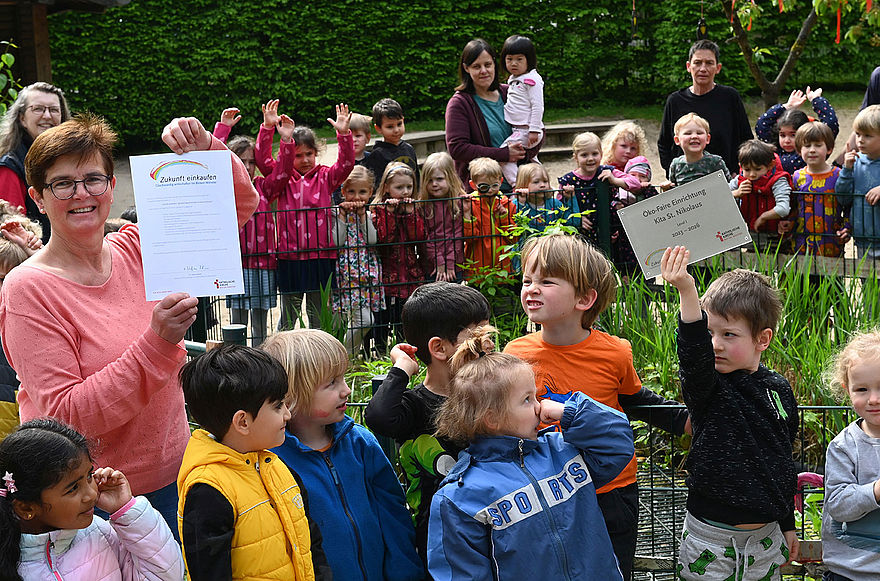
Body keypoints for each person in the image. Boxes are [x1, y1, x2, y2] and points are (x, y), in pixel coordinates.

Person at [0, 114, 258, 535]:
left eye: (93, 179)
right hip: (93, 505)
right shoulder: (28, 289)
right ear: (38, 198)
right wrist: (157, 343)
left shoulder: (138, 247)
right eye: (62, 183)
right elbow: (66, 417)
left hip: (175, 476)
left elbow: (235, 209)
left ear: (112, 186)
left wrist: (205, 148)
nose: (81, 193)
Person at [503, 233, 690, 580]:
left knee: (613, 570)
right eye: (528, 280)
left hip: (610, 490)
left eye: (547, 281)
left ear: (585, 298)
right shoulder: (515, 353)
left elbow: (635, 400)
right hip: (546, 488)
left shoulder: (614, 352)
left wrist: (685, 422)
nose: (531, 288)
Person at [427, 328, 635, 581]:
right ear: (492, 418)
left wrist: (568, 412)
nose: (540, 406)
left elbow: (619, 440)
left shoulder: (563, 451)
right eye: (528, 399)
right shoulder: (459, 497)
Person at [660, 246, 798, 581]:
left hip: (765, 538)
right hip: (711, 539)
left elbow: (782, 459)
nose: (715, 344)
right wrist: (687, 290)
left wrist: (787, 524)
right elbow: (692, 355)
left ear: (762, 339)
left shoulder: (777, 389)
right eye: (710, 332)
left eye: (728, 334)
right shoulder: (708, 388)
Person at [262, 329, 422, 581]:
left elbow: (394, 515)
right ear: (293, 393)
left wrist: (406, 573)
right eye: (331, 383)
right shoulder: (273, 462)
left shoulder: (360, 443)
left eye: (343, 379)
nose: (346, 390)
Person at [364, 281, 491, 565]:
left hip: (491, 519)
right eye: (477, 336)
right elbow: (378, 417)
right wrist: (401, 370)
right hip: (437, 533)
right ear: (439, 348)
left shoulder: (489, 393)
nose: (488, 344)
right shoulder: (415, 406)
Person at [177, 344, 324, 581]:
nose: (287, 414)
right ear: (242, 422)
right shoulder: (208, 492)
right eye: (278, 406)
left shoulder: (276, 467)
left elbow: (311, 543)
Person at [0, 418, 184, 581]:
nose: (92, 494)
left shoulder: (98, 532)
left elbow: (165, 576)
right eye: (73, 488)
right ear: (26, 508)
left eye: (89, 476)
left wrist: (128, 510)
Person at [256, 103, 354, 329]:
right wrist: (268, 128)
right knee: (289, 317)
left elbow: (346, 165)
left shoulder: (326, 177)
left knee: (318, 315)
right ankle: (284, 358)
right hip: (290, 258)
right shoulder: (283, 177)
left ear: (316, 153)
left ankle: (320, 359)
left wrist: (343, 134)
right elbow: (263, 160)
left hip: (321, 257)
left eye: (309, 154)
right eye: (298, 155)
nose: (305, 159)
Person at [213, 102, 296, 346]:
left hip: (263, 264)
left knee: (261, 322)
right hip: (236, 265)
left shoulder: (263, 188)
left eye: (251, 162)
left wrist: (285, 140)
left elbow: (283, 171)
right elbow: (212, 157)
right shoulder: (224, 189)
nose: (247, 167)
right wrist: (223, 129)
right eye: (241, 161)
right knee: (237, 322)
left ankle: (258, 359)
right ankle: (236, 359)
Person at [822, 329, 880, 581]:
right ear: (848, 390)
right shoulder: (843, 447)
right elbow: (837, 504)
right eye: (862, 390)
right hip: (851, 571)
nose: (874, 399)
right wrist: (875, 491)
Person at [445, 38, 542, 186]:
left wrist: (524, 154)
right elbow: (458, 149)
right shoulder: (459, 104)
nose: (484, 71)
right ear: (466, 68)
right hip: (483, 191)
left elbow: (535, 126)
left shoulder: (510, 92)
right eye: (476, 66)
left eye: (488, 65)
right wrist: (504, 155)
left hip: (522, 189)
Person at [658, 39, 753, 176]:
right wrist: (673, 173)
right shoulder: (675, 101)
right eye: (697, 63)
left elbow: (745, 139)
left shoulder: (730, 97)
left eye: (709, 63)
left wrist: (737, 172)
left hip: (726, 179)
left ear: (718, 68)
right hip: (685, 180)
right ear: (688, 66)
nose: (703, 69)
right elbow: (664, 143)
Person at [0, 82, 71, 242]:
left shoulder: (67, 159)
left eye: (54, 110)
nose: (47, 116)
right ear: (22, 118)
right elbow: (12, 232)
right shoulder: (10, 167)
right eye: (38, 109)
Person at [331, 165, 385, 355]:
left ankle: (345, 356)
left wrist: (363, 217)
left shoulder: (369, 215)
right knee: (338, 322)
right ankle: (342, 359)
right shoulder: (336, 214)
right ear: (343, 192)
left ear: (370, 193)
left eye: (362, 192)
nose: (356, 197)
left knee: (365, 320)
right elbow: (336, 242)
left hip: (364, 278)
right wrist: (342, 217)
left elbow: (372, 240)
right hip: (343, 277)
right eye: (351, 191)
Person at [371, 162, 426, 344]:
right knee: (383, 317)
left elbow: (418, 238)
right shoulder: (378, 209)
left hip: (409, 272)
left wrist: (410, 214)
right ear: (386, 187)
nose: (405, 192)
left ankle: (405, 346)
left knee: (405, 316)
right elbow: (383, 239)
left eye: (409, 187)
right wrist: (390, 213)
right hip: (387, 274)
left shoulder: (414, 207)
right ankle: (379, 349)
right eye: (399, 187)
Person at [557, 132, 640, 249]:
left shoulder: (606, 172)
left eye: (594, 154)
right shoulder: (568, 181)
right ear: (576, 157)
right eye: (584, 155)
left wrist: (614, 180)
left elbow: (636, 184)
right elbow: (559, 208)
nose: (590, 159)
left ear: (601, 154)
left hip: (608, 232)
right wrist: (576, 218)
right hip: (580, 237)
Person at [788, 121, 848, 257]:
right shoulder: (797, 177)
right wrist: (787, 223)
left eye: (818, 145)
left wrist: (847, 227)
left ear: (829, 149)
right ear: (799, 150)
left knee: (831, 277)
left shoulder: (838, 175)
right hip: (802, 244)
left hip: (832, 242)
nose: (812, 150)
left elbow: (848, 204)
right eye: (807, 146)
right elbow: (793, 206)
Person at [755, 87, 838, 175]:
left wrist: (817, 100)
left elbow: (830, 126)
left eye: (793, 135)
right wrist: (787, 106)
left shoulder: (809, 153)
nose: (787, 141)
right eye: (782, 135)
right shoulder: (774, 151)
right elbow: (762, 124)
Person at [499, 34, 544, 186]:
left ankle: (516, 185)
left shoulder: (532, 80)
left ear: (529, 60)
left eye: (519, 59)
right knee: (532, 160)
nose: (514, 63)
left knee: (505, 154)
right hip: (519, 128)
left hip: (527, 130)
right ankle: (542, 183)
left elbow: (538, 106)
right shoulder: (515, 78)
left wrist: (534, 129)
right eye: (509, 59)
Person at [460, 157, 516, 277]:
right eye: (484, 187)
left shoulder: (507, 204)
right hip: (478, 268)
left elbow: (513, 238)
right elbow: (469, 238)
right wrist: (466, 214)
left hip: (503, 267)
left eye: (494, 186)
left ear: (501, 182)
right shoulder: (471, 204)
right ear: (473, 185)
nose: (490, 191)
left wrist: (504, 217)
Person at [837, 104, 880, 261]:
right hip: (862, 239)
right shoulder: (855, 163)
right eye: (857, 134)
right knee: (866, 282)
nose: (860, 140)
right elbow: (843, 198)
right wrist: (846, 170)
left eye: (868, 135)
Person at [729, 139, 793, 240]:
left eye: (758, 169)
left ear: (770, 165)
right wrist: (737, 193)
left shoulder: (778, 180)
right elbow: (721, 195)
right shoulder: (740, 179)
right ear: (740, 166)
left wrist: (763, 217)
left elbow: (783, 208)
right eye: (747, 169)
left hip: (775, 233)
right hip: (751, 232)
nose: (752, 174)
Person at [417, 151, 465, 283]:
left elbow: (458, 235)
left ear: (450, 178)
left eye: (439, 179)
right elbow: (426, 237)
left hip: (455, 264)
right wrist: (439, 262)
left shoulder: (458, 202)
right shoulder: (423, 205)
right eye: (429, 180)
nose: (434, 184)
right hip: (431, 265)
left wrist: (449, 263)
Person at [511, 162, 563, 270]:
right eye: (536, 182)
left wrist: (570, 198)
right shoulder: (519, 203)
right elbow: (515, 221)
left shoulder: (554, 204)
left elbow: (573, 222)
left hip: (549, 250)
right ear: (524, 185)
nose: (542, 185)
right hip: (526, 251)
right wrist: (521, 202)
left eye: (545, 181)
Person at [661, 113, 731, 189]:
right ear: (677, 140)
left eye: (699, 133)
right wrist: (666, 188)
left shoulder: (715, 162)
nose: (694, 136)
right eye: (688, 133)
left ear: (707, 139)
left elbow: (730, 187)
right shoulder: (676, 165)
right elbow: (673, 195)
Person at [363, 98, 420, 189]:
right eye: (390, 127)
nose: (396, 130)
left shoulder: (409, 148)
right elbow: (375, 186)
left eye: (399, 124)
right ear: (378, 128)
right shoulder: (377, 154)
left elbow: (417, 179)